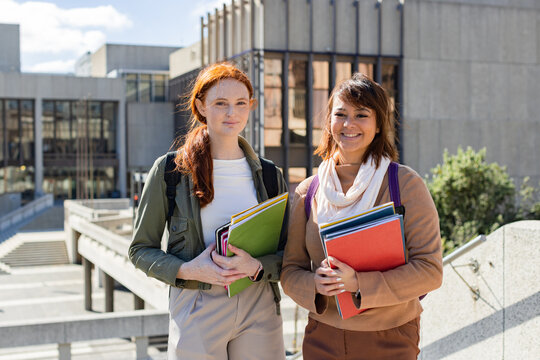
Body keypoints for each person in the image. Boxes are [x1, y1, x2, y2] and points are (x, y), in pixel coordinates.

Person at [129, 62, 287, 360]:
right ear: (200, 106)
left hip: (259, 303)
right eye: (221, 103)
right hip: (197, 304)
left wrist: (256, 267)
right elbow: (140, 250)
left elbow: (288, 253)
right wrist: (188, 270)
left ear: (251, 106)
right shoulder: (170, 171)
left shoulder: (269, 174)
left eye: (241, 103)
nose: (232, 113)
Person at [280, 73, 443, 359]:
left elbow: (430, 270)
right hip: (322, 337)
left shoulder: (404, 184)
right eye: (340, 114)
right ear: (329, 121)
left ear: (379, 124)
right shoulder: (308, 191)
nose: (348, 124)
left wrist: (358, 283)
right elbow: (290, 270)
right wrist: (314, 285)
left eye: (361, 115)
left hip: (391, 337)